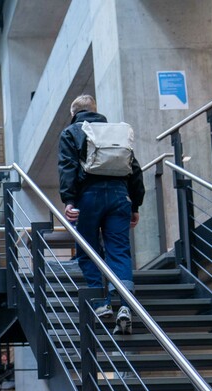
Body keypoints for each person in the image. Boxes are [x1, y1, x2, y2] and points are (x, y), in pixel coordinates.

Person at [58, 94, 144, 335]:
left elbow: (67, 167)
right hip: (119, 196)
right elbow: (135, 169)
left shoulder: (72, 132)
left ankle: (101, 303)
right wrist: (135, 205)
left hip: (88, 197)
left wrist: (69, 200)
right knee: (119, 250)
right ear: (95, 110)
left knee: (88, 249)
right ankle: (125, 305)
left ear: (74, 113)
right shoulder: (115, 132)